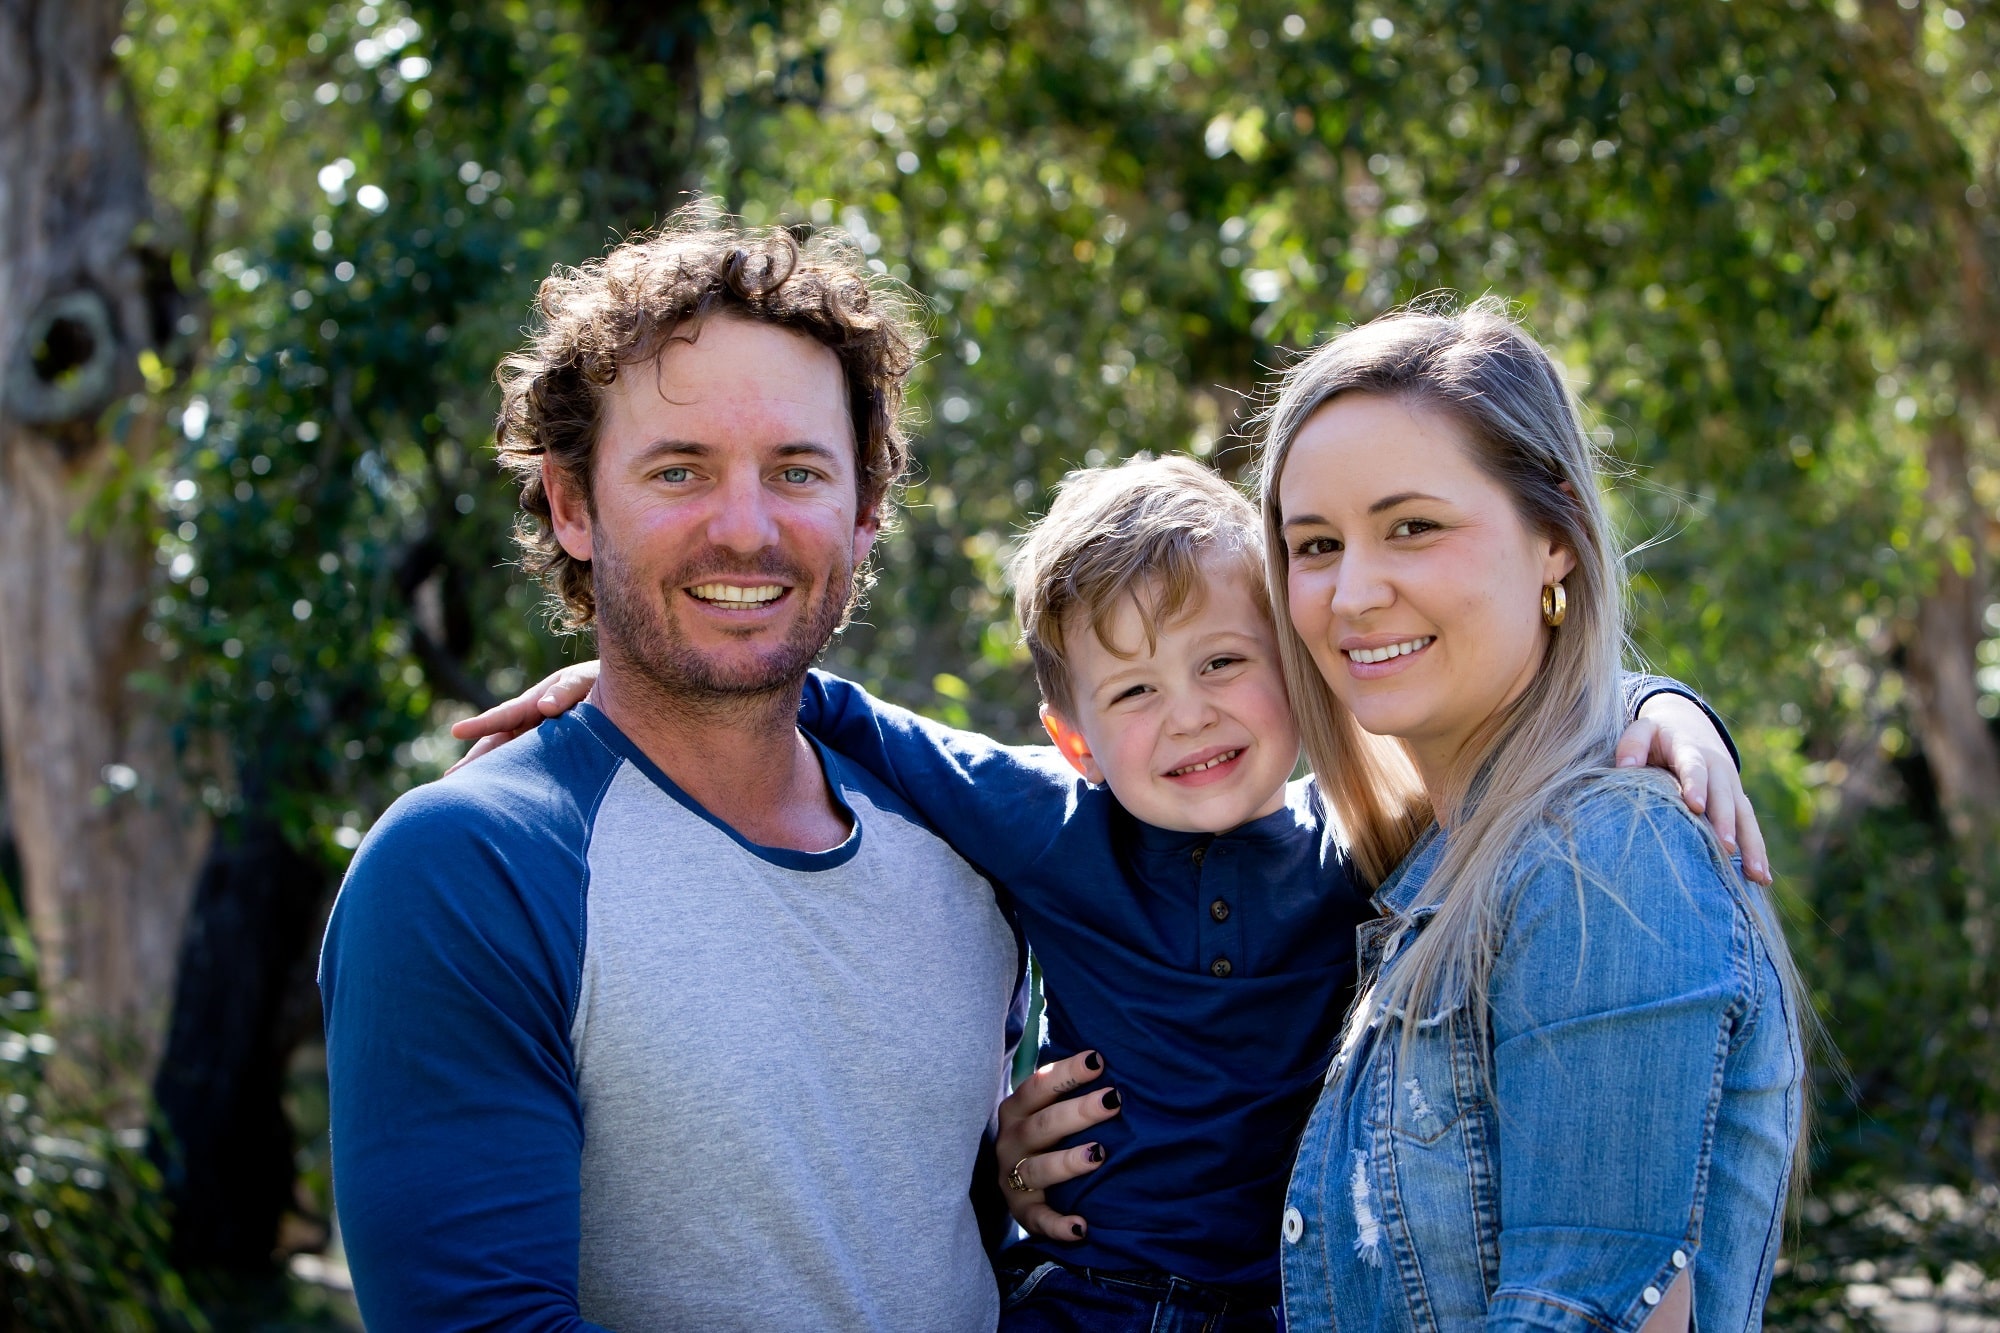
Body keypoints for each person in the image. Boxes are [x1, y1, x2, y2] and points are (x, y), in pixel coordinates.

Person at [459, 457, 1758, 1330]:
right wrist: (629, 693)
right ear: (1072, 733)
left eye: (1223, 664)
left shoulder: (1365, 821)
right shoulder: (1043, 819)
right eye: (1133, 691)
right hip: (1085, 1294)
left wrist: (1665, 706)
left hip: (1297, 1300)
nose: (1187, 714)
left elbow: (1525, 713)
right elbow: (840, 712)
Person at [318, 211, 1030, 1331]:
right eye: (679, 470)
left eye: (796, 470)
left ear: (863, 512)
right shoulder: (466, 869)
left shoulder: (974, 849)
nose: (742, 529)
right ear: (571, 503)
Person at [1258, 299, 1805, 1330]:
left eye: (1410, 526)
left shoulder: (1605, 857)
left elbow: (1587, 1312)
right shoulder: (1423, 857)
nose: (1352, 593)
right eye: (1314, 544)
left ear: (1552, 535)